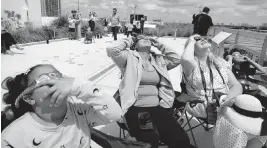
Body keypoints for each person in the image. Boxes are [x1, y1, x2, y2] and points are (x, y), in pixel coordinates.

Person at [1, 64, 122, 147]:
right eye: (45, 80)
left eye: (58, 76)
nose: (56, 82)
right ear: (29, 98)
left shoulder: (79, 110)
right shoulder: (13, 136)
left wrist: (78, 87)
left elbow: (115, 114)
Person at [106, 35, 191, 148]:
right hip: (136, 107)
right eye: (141, 39)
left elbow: (176, 59)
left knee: (181, 139)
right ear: (135, 45)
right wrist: (131, 39)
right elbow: (112, 49)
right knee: (151, 141)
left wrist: (159, 44)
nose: (145, 38)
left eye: (147, 38)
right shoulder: (128, 58)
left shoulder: (158, 60)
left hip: (157, 107)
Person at [178, 34, 242, 119]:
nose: (202, 39)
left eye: (203, 38)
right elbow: (186, 59)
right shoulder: (191, 65)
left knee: (248, 108)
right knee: (237, 116)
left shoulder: (219, 62)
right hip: (202, 104)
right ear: (191, 47)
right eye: (197, 39)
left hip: (224, 101)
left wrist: (229, 97)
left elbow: (236, 85)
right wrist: (191, 40)